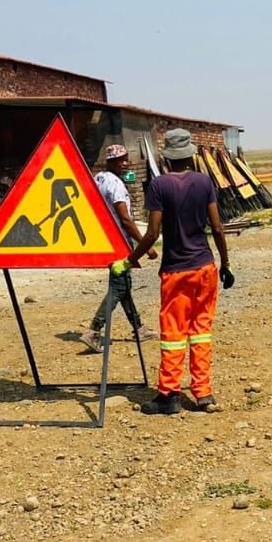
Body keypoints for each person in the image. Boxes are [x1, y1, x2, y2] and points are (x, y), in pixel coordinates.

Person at [124, 128, 234, 415]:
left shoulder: (159, 186)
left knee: (174, 333)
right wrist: (226, 264)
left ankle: (169, 395)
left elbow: (152, 234)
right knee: (201, 331)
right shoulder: (205, 182)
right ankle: (203, 394)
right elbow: (218, 227)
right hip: (206, 267)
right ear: (190, 155)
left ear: (166, 158)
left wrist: (129, 260)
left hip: (176, 271)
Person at [79, 145, 160, 353]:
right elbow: (126, 219)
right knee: (119, 288)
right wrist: (145, 245)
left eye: (126, 159)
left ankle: (139, 328)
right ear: (110, 161)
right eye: (120, 160)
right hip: (119, 243)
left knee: (123, 286)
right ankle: (94, 330)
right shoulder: (115, 184)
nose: (125, 163)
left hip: (104, 239)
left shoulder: (99, 179)